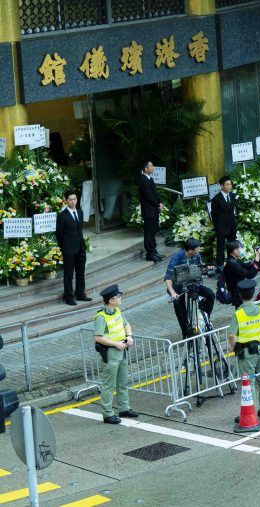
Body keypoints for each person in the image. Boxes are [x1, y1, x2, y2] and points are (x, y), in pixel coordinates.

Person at [93, 284, 138, 424]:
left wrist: (129, 336)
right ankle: (107, 414)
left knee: (123, 381)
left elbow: (126, 324)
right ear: (111, 300)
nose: (120, 298)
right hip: (111, 352)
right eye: (118, 296)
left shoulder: (117, 311)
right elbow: (98, 337)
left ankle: (124, 408)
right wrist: (115, 344)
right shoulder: (101, 316)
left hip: (122, 349)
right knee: (109, 385)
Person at [229, 279, 260, 421]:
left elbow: (231, 335)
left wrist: (232, 347)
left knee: (249, 383)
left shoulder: (238, 314)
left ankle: (250, 411)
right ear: (253, 294)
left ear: (240, 295)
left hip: (246, 354)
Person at [164, 238, 216, 339]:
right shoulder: (177, 257)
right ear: (190, 251)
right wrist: (172, 292)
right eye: (197, 249)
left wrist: (206, 269)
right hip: (178, 286)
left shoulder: (197, 255)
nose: (199, 251)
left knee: (210, 294)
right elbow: (168, 277)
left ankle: (205, 316)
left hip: (192, 283)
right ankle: (186, 333)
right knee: (180, 308)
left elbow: (199, 268)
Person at [56, 189, 90, 306]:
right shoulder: (62, 216)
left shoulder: (80, 212)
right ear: (66, 201)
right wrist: (64, 247)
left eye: (75, 199)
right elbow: (59, 234)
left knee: (81, 271)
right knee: (69, 274)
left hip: (80, 247)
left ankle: (80, 293)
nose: (73, 202)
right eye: (70, 199)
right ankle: (68, 296)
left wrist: (83, 246)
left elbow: (80, 230)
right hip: (68, 249)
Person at [223, 240, 260, 307]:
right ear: (234, 251)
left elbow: (246, 266)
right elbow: (249, 275)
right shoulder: (232, 263)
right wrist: (257, 258)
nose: (240, 250)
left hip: (239, 290)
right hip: (237, 293)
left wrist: (258, 257)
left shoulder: (234, 259)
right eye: (239, 248)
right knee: (242, 311)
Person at [139, 160, 164, 262]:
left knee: (153, 231)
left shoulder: (150, 179)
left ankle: (154, 251)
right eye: (151, 166)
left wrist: (160, 202)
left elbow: (155, 193)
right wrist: (157, 204)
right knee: (149, 232)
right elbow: (148, 195)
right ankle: (150, 253)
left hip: (154, 210)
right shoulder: (143, 180)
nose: (153, 167)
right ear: (146, 168)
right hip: (148, 211)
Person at [210, 175, 237, 267]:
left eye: (230, 184)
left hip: (232, 226)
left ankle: (232, 264)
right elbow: (213, 215)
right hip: (221, 227)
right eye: (227, 185)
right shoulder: (216, 199)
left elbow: (233, 211)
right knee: (220, 248)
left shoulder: (233, 196)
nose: (229, 186)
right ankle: (220, 266)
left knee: (232, 246)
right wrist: (217, 228)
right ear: (221, 186)